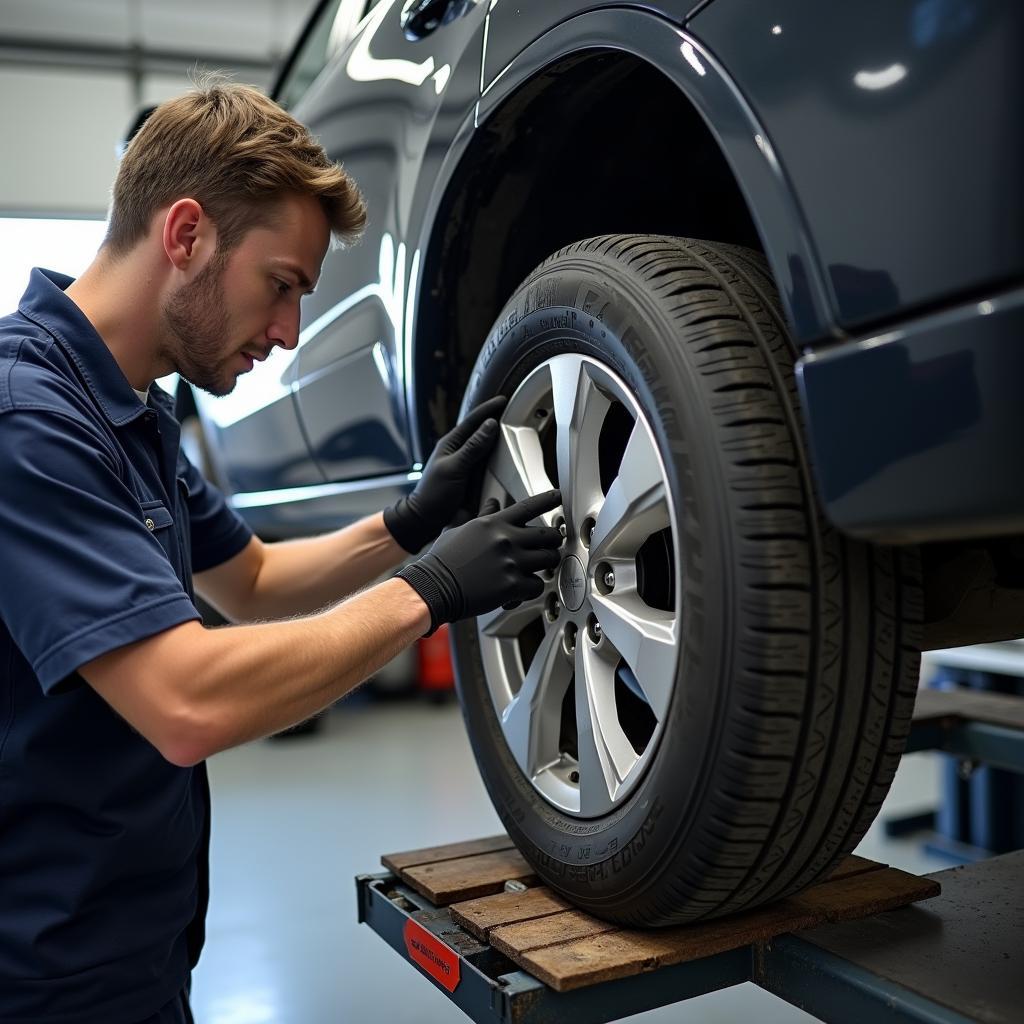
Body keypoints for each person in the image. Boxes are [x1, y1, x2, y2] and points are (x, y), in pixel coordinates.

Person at [0, 79, 562, 1023]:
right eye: (283, 285)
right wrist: (426, 592)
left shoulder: (130, 410)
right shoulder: (29, 422)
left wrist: (407, 524)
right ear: (186, 235)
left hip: (134, 950)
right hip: (43, 978)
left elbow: (253, 581)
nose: (290, 332)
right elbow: (185, 701)